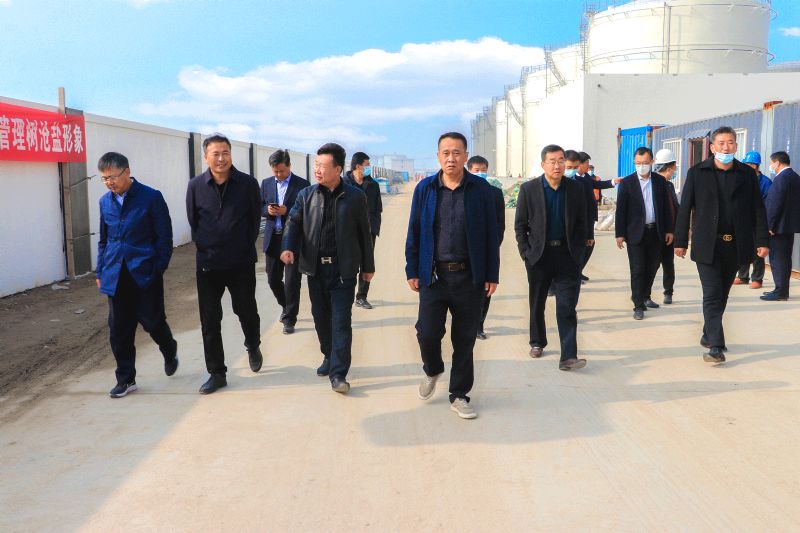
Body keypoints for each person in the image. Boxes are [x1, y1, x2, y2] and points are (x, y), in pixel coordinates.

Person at [405, 132, 500, 419]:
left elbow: (491, 235)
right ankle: (432, 369)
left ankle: (459, 394)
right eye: (446, 153)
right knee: (427, 332)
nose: (451, 158)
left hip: (469, 277)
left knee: (465, 338)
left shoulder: (482, 191)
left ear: (465, 156)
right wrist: (412, 269)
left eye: (457, 152)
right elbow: (414, 231)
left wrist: (491, 273)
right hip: (433, 276)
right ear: (438, 156)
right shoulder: (425, 189)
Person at [281, 143, 375, 394]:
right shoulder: (306, 195)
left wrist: (368, 267)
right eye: (316, 165)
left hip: (343, 270)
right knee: (321, 318)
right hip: (315, 270)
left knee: (341, 322)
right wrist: (288, 246)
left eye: (322, 166)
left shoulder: (355, 197)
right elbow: (293, 222)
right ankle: (328, 355)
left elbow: (364, 234)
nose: (317, 170)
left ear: (338, 169)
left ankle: (338, 373)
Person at [674, 126, 769, 363]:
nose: (726, 148)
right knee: (712, 293)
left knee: (723, 293)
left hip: (734, 244)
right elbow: (685, 208)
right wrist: (680, 240)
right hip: (707, 244)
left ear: (736, 146)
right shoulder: (697, 173)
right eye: (721, 143)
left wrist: (762, 241)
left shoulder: (746, 174)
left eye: (730, 143)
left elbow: (757, 209)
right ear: (712, 147)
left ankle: (709, 333)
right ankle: (716, 346)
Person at [96, 152, 178, 398]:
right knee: (118, 329)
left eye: (113, 177)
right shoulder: (104, 202)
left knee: (152, 321)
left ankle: (168, 347)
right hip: (115, 274)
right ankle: (126, 379)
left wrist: (158, 267)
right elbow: (104, 240)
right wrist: (100, 270)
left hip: (145, 272)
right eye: (104, 178)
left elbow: (164, 237)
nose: (109, 182)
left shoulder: (151, 197)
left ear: (127, 172)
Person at [187, 133, 263, 394]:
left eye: (226, 153)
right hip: (208, 266)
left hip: (241, 263)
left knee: (246, 311)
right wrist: (207, 247)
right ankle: (217, 373)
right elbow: (194, 222)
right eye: (216, 154)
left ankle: (253, 344)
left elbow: (254, 221)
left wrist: (241, 246)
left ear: (231, 154)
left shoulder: (248, 184)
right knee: (210, 321)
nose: (221, 158)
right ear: (206, 157)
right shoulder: (196, 186)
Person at [514, 144, 591, 370]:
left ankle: (568, 356)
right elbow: (520, 225)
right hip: (539, 256)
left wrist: (579, 254)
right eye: (552, 161)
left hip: (567, 256)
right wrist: (526, 253)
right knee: (537, 303)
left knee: (567, 307)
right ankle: (537, 342)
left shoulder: (575, 189)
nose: (557, 166)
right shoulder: (529, 189)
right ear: (543, 164)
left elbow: (583, 222)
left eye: (560, 161)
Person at [615, 147, 674, 320]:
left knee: (652, 267)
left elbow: (666, 208)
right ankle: (638, 305)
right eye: (638, 163)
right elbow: (621, 210)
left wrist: (669, 230)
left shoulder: (660, 181)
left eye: (645, 163)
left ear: (652, 162)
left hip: (655, 232)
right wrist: (619, 234)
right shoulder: (627, 183)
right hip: (635, 233)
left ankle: (645, 296)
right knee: (638, 269)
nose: (641, 166)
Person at [260, 149, 310, 334]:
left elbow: (307, 212)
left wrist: (286, 210)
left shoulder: (302, 185)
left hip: (293, 240)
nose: (279, 174)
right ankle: (285, 305)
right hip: (273, 238)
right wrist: (268, 211)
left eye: (281, 170)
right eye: (275, 171)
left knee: (291, 281)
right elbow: (259, 206)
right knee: (273, 279)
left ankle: (290, 319)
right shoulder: (266, 183)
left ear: (289, 166)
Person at [466, 155, 505, 340]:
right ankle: (466, 324)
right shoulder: (463, 191)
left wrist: (493, 245)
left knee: (485, 290)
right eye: (477, 170)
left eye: (483, 170)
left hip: (486, 250)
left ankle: (479, 325)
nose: (481, 173)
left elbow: (500, 223)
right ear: (469, 170)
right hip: (465, 251)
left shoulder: (495, 193)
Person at [566, 151, 615, 283]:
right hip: (579, 219)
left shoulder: (586, 176)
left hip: (588, 217)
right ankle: (573, 274)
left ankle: (578, 272)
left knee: (588, 245)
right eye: (587, 163)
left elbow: (597, 184)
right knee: (581, 247)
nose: (589, 165)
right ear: (580, 164)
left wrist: (613, 182)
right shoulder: (573, 180)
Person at [344, 152, 382, 310]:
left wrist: (374, 226)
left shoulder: (373, 185)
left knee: (367, 263)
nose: (369, 168)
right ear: (358, 166)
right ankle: (345, 295)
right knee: (348, 263)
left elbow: (378, 208)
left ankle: (361, 296)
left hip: (368, 230)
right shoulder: (343, 184)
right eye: (367, 165)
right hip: (347, 232)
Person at [761, 151, 800, 301]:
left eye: (771, 163)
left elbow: (774, 204)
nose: (771, 166)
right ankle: (781, 289)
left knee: (778, 259)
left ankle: (780, 292)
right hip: (789, 226)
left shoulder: (781, 179)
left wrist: (770, 225)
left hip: (778, 227)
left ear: (777, 163)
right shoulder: (795, 177)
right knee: (785, 258)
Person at [735, 151, 773, 290]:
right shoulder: (740, 179)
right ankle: (742, 276)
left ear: (756, 165)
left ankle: (757, 278)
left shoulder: (765, 182)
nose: (747, 166)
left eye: (750, 164)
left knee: (758, 249)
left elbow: (768, 204)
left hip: (758, 220)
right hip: (743, 220)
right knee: (742, 247)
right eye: (746, 164)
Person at [653, 148, 681, 304]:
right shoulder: (654, 184)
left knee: (668, 264)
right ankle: (644, 294)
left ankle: (668, 292)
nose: (675, 170)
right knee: (653, 265)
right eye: (675, 167)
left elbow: (675, 208)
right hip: (657, 233)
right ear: (669, 167)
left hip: (670, 233)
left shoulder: (669, 185)